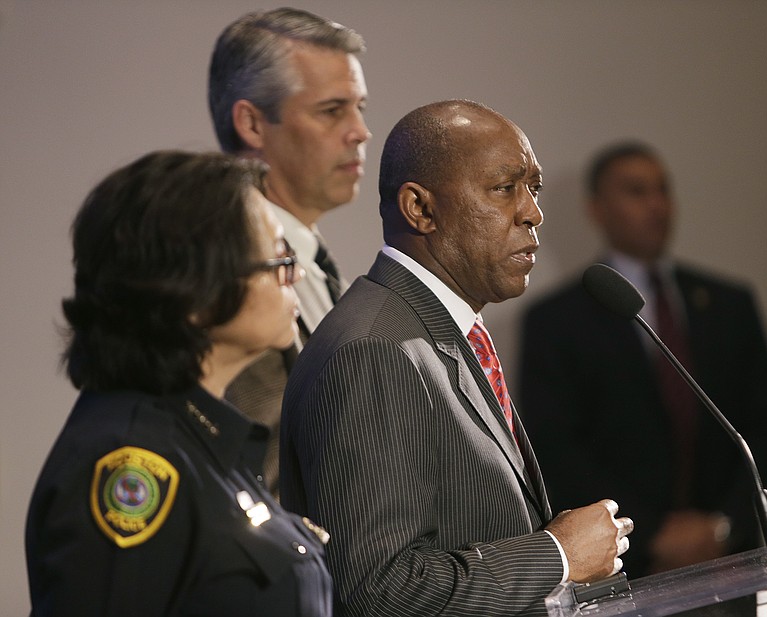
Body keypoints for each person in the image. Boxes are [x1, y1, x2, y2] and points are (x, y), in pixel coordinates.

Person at [280, 100, 634, 617]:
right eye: (504, 187)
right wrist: (555, 554)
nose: (533, 212)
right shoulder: (375, 352)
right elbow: (377, 593)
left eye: (532, 187)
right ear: (419, 208)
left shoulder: (437, 329)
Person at [25, 151, 333, 616]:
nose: (297, 274)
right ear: (196, 292)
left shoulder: (205, 438)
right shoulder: (133, 463)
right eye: (278, 258)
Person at [518, 141, 767, 577]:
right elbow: (555, 448)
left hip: (733, 556)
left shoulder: (729, 303)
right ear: (597, 209)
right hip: (628, 563)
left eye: (663, 189)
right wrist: (650, 532)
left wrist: (725, 524)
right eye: (636, 191)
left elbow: (765, 425)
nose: (657, 205)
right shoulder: (555, 320)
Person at [208, 7, 371, 496]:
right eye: (332, 110)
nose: (360, 131)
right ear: (253, 124)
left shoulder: (314, 264)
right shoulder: (226, 273)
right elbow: (268, 479)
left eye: (361, 106)